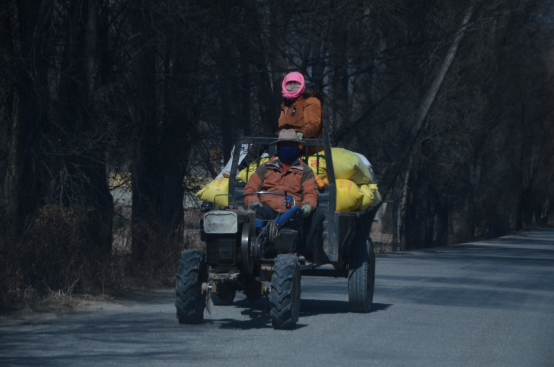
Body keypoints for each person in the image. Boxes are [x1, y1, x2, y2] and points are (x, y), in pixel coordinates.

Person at [243, 129, 325, 258]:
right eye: (284, 145)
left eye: (291, 145)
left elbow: (310, 192)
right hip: (268, 210)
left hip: (292, 213)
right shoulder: (265, 168)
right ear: (278, 147)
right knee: (256, 214)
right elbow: (250, 189)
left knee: (317, 214)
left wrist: (307, 206)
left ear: (297, 148)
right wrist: (254, 202)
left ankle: (298, 250)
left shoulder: (306, 171)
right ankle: (257, 248)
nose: (288, 148)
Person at [278, 72, 324, 155]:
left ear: (302, 84)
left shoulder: (311, 100)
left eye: (296, 83)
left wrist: (301, 133)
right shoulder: (286, 104)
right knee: (263, 139)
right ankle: (247, 163)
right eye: (289, 83)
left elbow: (313, 124)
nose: (292, 85)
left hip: (307, 147)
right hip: (287, 144)